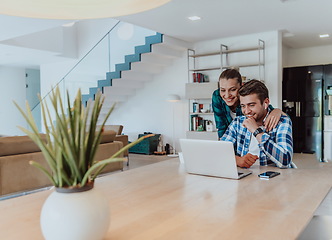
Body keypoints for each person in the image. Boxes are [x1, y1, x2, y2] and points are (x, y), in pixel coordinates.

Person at [221, 80, 295, 169]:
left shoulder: (282, 122)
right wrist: (237, 160)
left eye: (251, 105)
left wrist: (257, 131)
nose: (247, 111)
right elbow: (220, 152)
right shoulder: (238, 122)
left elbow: (285, 161)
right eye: (243, 106)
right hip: (247, 177)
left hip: (275, 178)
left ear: (266, 103)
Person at [212, 69, 282, 139]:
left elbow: (265, 108)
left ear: (241, 86)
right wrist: (222, 145)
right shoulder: (217, 96)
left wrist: (277, 111)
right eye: (223, 90)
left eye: (233, 89)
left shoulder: (246, 97)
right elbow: (221, 127)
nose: (227, 95)